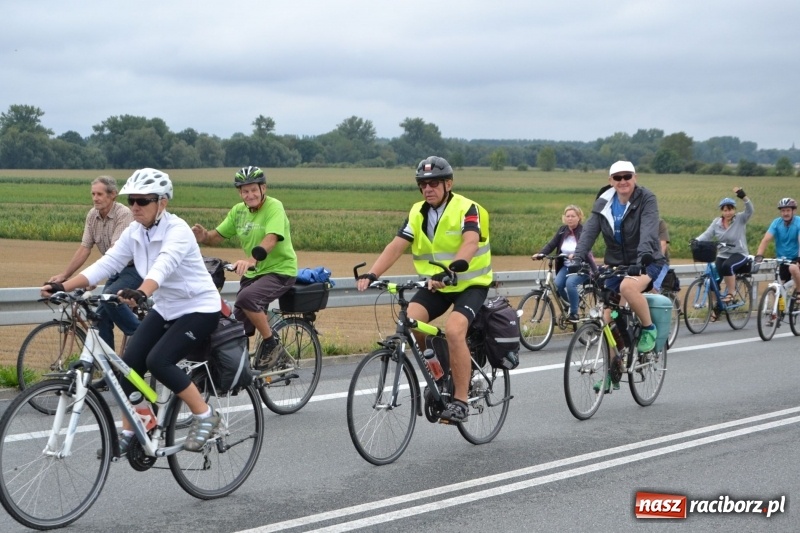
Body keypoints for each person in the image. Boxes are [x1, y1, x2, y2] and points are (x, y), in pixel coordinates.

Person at [41, 168, 222, 455]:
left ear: (162, 202)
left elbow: (164, 264)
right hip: (166, 308)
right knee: (129, 365)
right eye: (132, 200)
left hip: (198, 308)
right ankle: (135, 427)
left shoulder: (178, 231)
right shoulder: (135, 232)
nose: (135, 206)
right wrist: (63, 284)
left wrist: (142, 292)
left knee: (159, 361)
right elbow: (107, 264)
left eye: (143, 201)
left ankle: (205, 415)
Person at [356, 156, 492, 423]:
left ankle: (461, 401)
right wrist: (373, 273)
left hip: (470, 283)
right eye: (423, 185)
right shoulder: (417, 211)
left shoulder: (468, 208)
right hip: (436, 285)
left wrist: (453, 269)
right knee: (410, 322)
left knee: (454, 330)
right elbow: (397, 245)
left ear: (448, 184)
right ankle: (441, 374)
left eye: (433, 184)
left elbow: (470, 242)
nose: (427, 189)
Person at [573, 161, 667, 389]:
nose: (622, 181)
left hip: (647, 261)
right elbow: (590, 232)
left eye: (627, 176)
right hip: (617, 264)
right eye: (617, 177)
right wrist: (577, 257)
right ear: (610, 181)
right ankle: (613, 371)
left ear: (635, 177)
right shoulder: (604, 201)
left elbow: (648, 229)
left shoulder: (646, 198)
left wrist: (642, 257)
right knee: (606, 318)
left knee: (628, 287)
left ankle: (648, 329)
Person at [191, 166, 297, 370]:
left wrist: (251, 260)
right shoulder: (238, 212)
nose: (249, 195)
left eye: (253, 190)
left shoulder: (274, 207)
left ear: (263, 188)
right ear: (239, 193)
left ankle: (272, 344)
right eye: (245, 191)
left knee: (246, 299)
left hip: (279, 271)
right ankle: (242, 370)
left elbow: (271, 239)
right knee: (235, 326)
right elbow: (217, 236)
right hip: (254, 274)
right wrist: (204, 236)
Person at [48, 176, 143, 350]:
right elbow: (84, 248)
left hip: (134, 268)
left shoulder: (124, 215)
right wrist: (64, 275)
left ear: (113, 195)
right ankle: (109, 369)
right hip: (116, 271)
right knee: (100, 317)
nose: (95, 198)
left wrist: (94, 277)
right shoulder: (92, 215)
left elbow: (116, 255)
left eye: (99, 194)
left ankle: (141, 337)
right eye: (93, 194)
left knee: (110, 297)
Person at [532, 205, 597, 322]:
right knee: (557, 285)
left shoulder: (584, 231)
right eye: (567, 216)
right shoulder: (562, 230)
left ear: (579, 217)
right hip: (567, 266)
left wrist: (576, 255)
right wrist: (541, 254)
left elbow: (585, 247)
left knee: (570, 283)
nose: (570, 218)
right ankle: (571, 305)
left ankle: (574, 312)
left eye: (573, 216)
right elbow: (552, 244)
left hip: (581, 266)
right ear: (564, 218)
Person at [694, 187, 753, 309]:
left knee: (728, 266)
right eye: (725, 210)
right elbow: (707, 234)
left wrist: (744, 197)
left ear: (734, 210)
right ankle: (717, 307)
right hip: (723, 254)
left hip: (739, 253)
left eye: (730, 209)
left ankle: (731, 293)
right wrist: (696, 240)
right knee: (712, 279)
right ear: (722, 211)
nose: (728, 213)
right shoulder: (716, 222)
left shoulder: (740, 219)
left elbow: (750, 210)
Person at [754, 198, 800, 290]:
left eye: (788, 210)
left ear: (793, 211)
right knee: (779, 289)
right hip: (782, 259)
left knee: (793, 268)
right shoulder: (776, 223)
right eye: (783, 211)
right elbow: (766, 240)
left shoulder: (798, 222)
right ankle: (778, 304)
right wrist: (759, 255)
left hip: (796, 257)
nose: (785, 213)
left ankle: (799, 291)